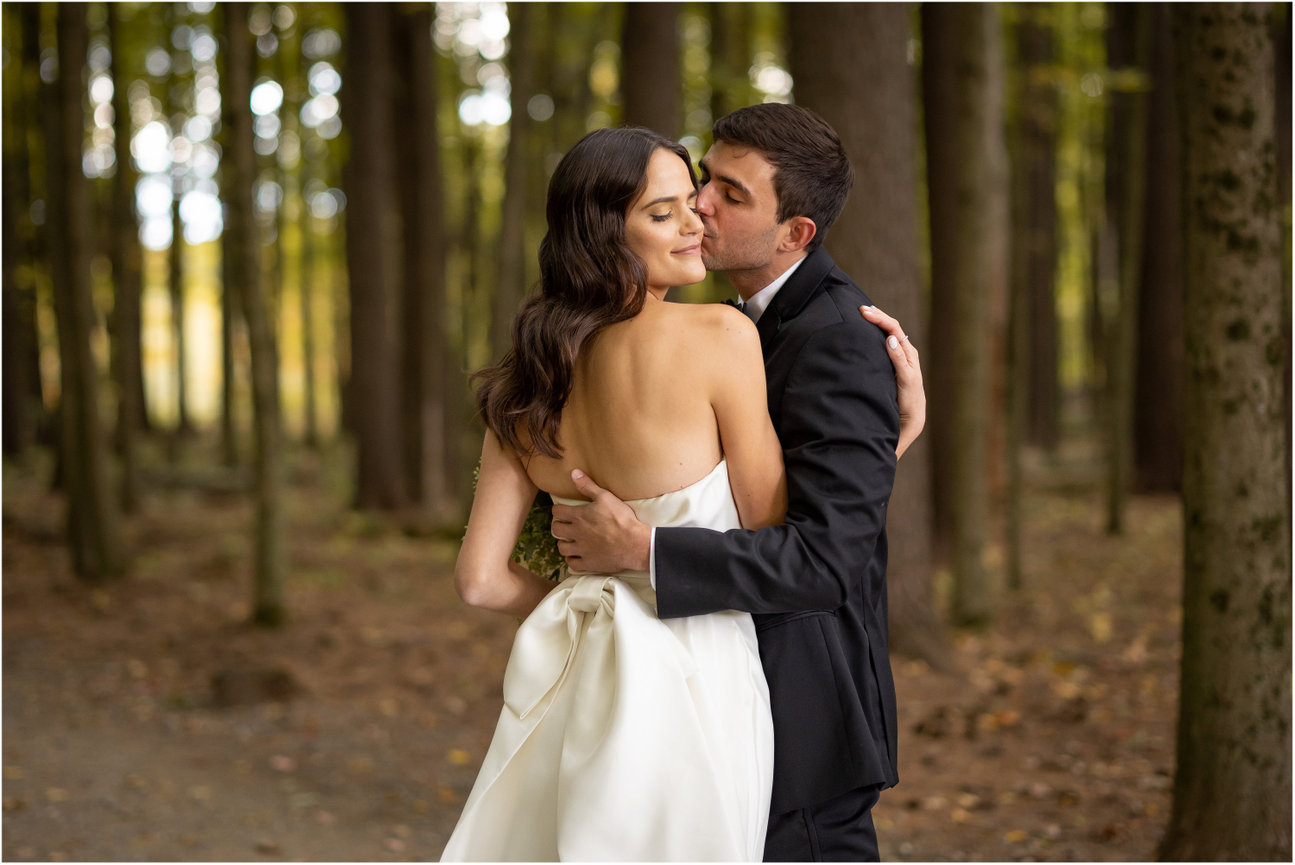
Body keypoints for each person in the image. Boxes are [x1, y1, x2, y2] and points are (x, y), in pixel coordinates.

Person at [442, 123, 921, 862]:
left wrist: (598, 593)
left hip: (588, 682)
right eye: (672, 204)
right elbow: (772, 521)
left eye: (719, 196)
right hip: (709, 681)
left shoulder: (524, 378)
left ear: (796, 231)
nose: (698, 211)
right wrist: (892, 441)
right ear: (606, 234)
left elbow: (478, 580)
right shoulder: (721, 336)